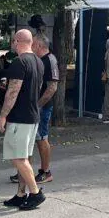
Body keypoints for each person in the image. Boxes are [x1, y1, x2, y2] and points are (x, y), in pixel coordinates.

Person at [0, 30, 46, 210]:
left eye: (12, 41)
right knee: (24, 157)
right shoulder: (38, 62)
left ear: (17, 41)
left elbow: (13, 92)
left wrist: (3, 116)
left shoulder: (19, 62)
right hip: (33, 115)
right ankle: (20, 194)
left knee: (17, 158)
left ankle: (35, 193)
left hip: (20, 117)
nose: (12, 44)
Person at [33, 34, 59, 184]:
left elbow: (52, 87)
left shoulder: (49, 60)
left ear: (39, 45)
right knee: (32, 139)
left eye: (32, 44)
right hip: (35, 106)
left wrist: (38, 105)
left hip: (42, 107)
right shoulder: (39, 60)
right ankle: (24, 172)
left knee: (42, 138)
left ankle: (46, 171)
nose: (30, 47)